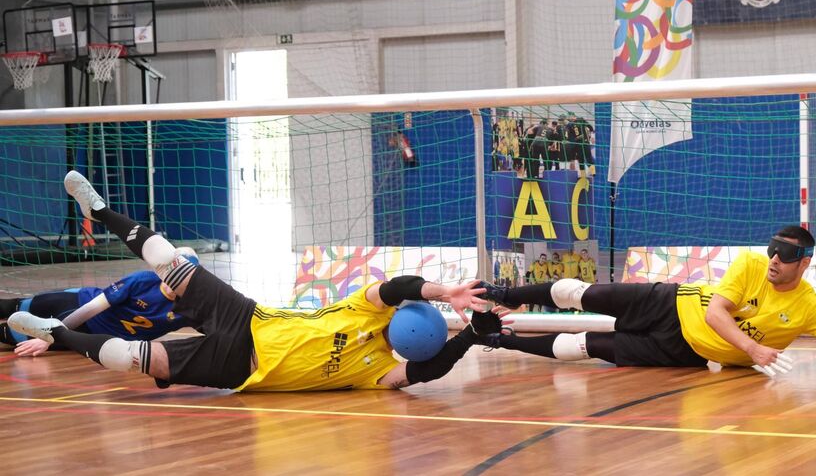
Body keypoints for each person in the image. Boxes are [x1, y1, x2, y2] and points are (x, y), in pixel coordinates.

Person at [8, 171, 507, 391]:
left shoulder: (376, 373)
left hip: (239, 369)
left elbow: (426, 374)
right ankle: (99, 209)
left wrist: (467, 335)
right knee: (170, 262)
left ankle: (56, 335)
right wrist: (447, 293)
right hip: (249, 318)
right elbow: (397, 286)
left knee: (131, 360)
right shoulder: (371, 308)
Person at [475, 226, 816, 376]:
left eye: (787, 255)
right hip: (670, 303)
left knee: (584, 346)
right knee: (583, 294)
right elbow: (715, 313)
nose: (775, 259)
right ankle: (503, 294)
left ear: (805, 263)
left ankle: (497, 339)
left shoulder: (809, 305)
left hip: (684, 351)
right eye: (773, 249)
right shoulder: (750, 264)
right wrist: (752, 349)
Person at [1, 256, 196, 356]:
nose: (176, 281)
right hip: (78, 304)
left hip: (88, 334)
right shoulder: (142, 281)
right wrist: (49, 337)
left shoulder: (190, 308)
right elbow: (91, 308)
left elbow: (219, 328)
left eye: (184, 278)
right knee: (15, 307)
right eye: (174, 273)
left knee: (8, 334)